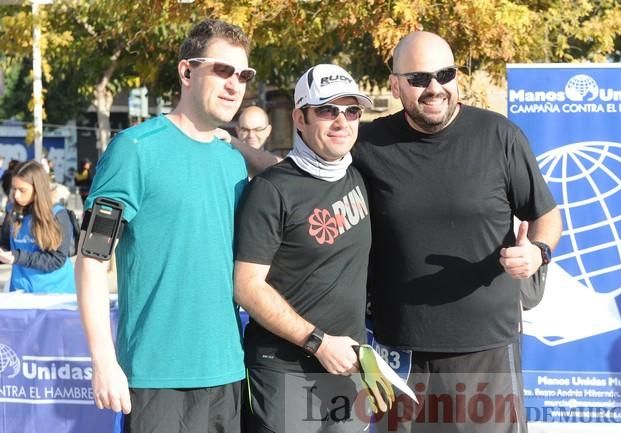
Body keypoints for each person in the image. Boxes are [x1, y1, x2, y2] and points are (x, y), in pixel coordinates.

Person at [352, 32, 563, 433]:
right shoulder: (368, 145)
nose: (434, 88)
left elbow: (547, 216)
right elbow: (306, 173)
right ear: (394, 84)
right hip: (400, 352)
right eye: (418, 79)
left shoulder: (499, 136)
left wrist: (537, 252)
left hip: (486, 348)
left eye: (445, 74)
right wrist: (241, 150)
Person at [75, 19, 253, 433]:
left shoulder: (233, 163)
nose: (235, 84)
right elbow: (90, 259)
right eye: (222, 70)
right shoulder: (134, 150)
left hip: (227, 370)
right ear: (187, 71)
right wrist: (103, 360)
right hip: (157, 377)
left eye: (243, 74)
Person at [234, 64, 373, 433]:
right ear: (300, 117)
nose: (342, 121)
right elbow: (247, 285)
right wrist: (318, 342)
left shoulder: (357, 176)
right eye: (328, 110)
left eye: (351, 111)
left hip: (348, 368)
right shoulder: (271, 189)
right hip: (284, 370)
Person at [0, 160, 75, 293]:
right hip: (21, 291)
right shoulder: (12, 210)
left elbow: (57, 259)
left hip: (56, 294)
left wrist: (17, 257)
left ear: (37, 189)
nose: (16, 195)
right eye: (14, 189)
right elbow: (5, 243)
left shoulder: (57, 214)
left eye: (22, 190)